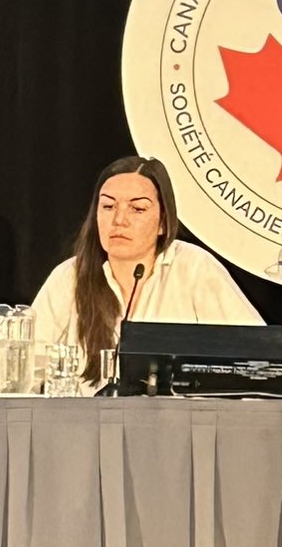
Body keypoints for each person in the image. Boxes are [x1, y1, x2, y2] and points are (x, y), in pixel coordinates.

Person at [31, 155, 262, 387]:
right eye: (108, 207)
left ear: (163, 221)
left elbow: (258, 356)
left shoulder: (194, 268)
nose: (119, 220)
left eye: (137, 209)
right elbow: (26, 368)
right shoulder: (69, 276)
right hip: (85, 421)